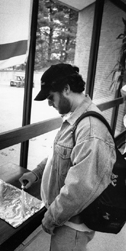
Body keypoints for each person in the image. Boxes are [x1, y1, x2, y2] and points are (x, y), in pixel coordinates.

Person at [19, 63, 116, 251]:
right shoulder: (74, 118)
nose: (49, 103)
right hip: (66, 219)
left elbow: (80, 188)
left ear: (66, 89)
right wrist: (37, 173)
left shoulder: (89, 129)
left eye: (50, 97)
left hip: (72, 227)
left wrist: (51, 217)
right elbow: (61, 155)